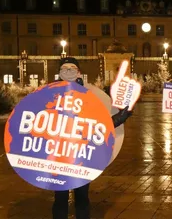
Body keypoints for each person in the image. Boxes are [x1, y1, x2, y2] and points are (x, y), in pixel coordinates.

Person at [52, 57, 133, 219]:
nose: (68, 71)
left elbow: (100, 125)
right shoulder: (49, 94)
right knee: (60, 199)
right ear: (59, 73)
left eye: (72, 68)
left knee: (82, 198)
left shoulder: (90, 96)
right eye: (64, 68)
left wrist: (122, 115)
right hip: (57, 156)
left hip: (82, 155)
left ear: (79, 72)